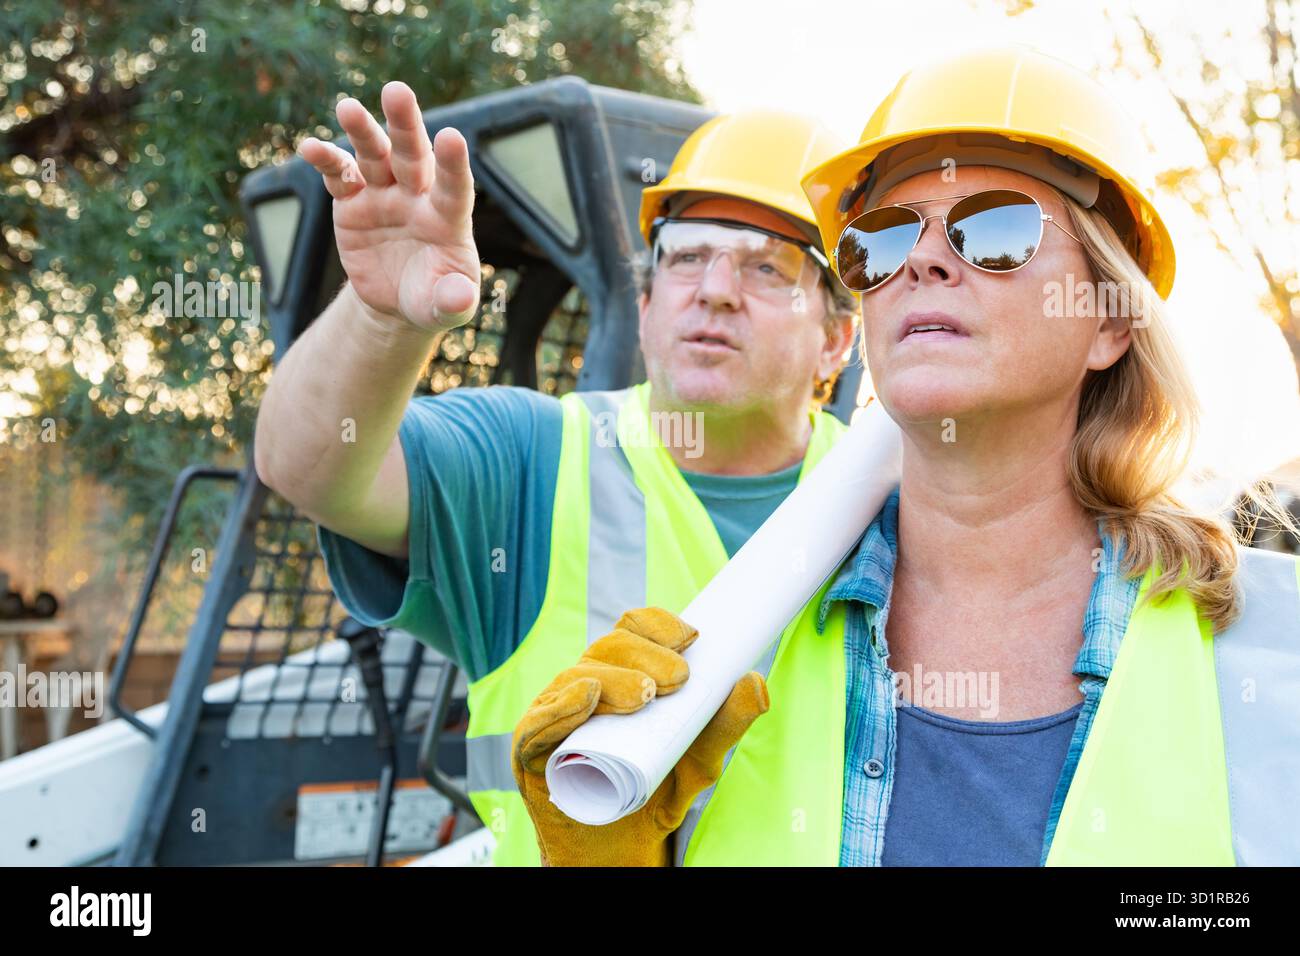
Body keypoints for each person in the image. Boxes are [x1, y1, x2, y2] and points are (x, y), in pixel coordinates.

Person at [513, 44, 1300, 866]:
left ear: (1107, 320)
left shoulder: (1272, 650)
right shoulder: (727, 655)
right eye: (880, 239)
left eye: (993, 228)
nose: (921, 260)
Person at [252, 82, 860, 866]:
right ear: (644, 309)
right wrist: (382, 317)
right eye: (687, 257)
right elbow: (308, 468)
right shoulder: (531, 458)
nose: (714, 290)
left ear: (838, 340)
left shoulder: (903, 500)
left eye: (769, 267)